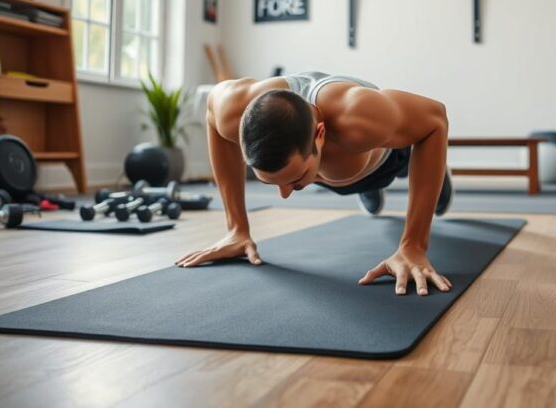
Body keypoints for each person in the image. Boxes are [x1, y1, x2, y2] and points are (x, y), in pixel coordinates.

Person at [175, 71, 454, 296]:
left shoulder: (360, 117)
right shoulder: (233, 108)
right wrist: (237, 228)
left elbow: (435, 119)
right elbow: (211, 112)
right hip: (335, 170)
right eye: (273, 184)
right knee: (325, 176)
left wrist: (414, 245)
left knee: (432, 193)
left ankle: (438, 178)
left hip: (388, 160)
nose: (284, 195)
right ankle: (361, 187)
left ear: (320, 134)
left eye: (292, 181)